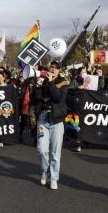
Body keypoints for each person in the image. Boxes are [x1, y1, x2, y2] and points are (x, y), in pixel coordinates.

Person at [34, 61, 69, 190]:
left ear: (59, 70)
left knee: (55, 153)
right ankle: (44, 171)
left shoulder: (64, 82)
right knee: (42, 150)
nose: (53, 69)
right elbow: (36, 99)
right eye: (51, 67)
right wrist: (37, 86)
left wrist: (50, 83)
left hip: (57, 121)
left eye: (55, 68)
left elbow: (57, 97)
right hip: (43, 118)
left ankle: (53, 178)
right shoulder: (43, 81)